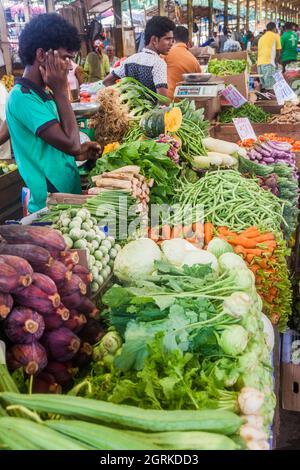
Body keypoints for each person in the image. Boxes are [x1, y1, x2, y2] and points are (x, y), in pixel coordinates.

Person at [5, 13, 101, 214]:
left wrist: (83, 152)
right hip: (50, 207)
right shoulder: (23, 98)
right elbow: (71, 144)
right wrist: (61, 89)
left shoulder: (42, 94)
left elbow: (58, 148)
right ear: (42, 55)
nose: (69, 66)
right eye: (66, 57)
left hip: (66, 196)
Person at [103, 16, 175, 97]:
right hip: (152, 109)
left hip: (127, 109)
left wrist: (121, 97)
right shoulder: (158, 63)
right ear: (154, 40)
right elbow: (163, 101)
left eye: (172, 39)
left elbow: (106, 82)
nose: (171, 43)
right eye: (167, 39)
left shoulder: (130, 60)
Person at [164, 26, 201, 99]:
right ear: (187, 41)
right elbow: (200, 80)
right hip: (185, 104)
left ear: (173, 40)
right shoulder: (194, 60)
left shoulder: (165, 54)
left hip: (167, 101)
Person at [257, 22, 281, 90]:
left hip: (259, 65)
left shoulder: (261, 38)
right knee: (271, 88)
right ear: (274, 28)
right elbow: (278, 51)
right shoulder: (276, 36)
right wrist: (276, 63)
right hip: (269, 64)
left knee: (264, 88)